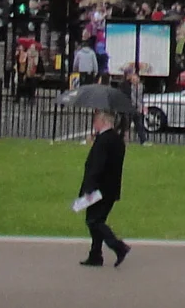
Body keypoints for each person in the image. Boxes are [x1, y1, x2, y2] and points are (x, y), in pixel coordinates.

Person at [76, 110, 130, 268]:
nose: (94, 125)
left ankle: (118, 247)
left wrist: (89, 188)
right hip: (111, 188)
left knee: (94, 221)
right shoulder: (117, 140)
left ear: (104, 121)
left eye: (96, 121)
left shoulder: (104, 140)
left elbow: (97, 166)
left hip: (100, 189)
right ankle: (95, 254)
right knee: (97, 220)